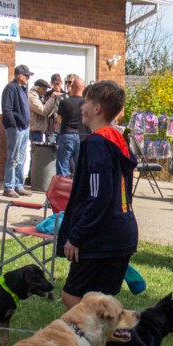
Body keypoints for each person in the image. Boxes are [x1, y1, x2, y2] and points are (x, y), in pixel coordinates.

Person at [56, 80, 138, 309]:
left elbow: (98, 196)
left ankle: (103, 343)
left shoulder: (96, 143)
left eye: (86, 101)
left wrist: (77, 236)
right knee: (103, 305)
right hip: (122, 232)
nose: (81, 106)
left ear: (97, 108)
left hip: (102, 237)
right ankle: (115, 342)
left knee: (73, 298)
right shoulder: (117, 137)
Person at [1, 64, 32, 198]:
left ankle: (19, 185)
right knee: (13, 158)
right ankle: (9, 187)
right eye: (26, 75)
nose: (28, 78)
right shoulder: (10, 88)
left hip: (24, 128)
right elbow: (7, 109)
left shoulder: (22, 89)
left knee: (21, 158)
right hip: (16, 128)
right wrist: (13, 124)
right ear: (20, 75)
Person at [55, 74, 85, 177]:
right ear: (83, 88)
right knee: (80, 168)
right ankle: (77, 190)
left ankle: (63, 191)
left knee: (63, 165)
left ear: (72, 87)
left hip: (66, 135)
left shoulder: (64, 102)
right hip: (81, 137)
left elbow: (58, 119)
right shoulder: (86, 103)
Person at [27, 78, 57, 143]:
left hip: (39, 131)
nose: (45, 91)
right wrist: (52, 98)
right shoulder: (32, 97)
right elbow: (43, 111)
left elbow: (47, 113)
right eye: (44, 89)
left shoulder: (39, 96)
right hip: (34, 131)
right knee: (37, 151)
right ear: (38, 88)